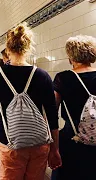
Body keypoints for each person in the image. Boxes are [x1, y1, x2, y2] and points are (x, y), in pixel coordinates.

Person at [0, 23, 61, 180]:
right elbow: (52, 114)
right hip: (39, 144)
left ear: (7, 49)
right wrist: (55, 148)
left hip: (9, 143)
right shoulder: (42, 75)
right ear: (28, 48)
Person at [52, 35, 96, 180]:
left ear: (71, 56)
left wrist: (53, 148)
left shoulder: (63, 78)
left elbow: (52, 113)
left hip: (72, 139)